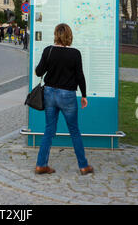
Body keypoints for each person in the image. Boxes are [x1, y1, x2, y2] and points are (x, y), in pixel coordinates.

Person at [34, 23, 93, 176]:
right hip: (67, 95)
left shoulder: (49, 50)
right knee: (74, 130)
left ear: (56, 34)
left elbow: (39, 71)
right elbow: (80, 76)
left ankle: (41, 165)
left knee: (49, 130)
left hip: (49, 93)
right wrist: (84, 95)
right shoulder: (75, 53)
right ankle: (83, 166)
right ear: (69, 35)